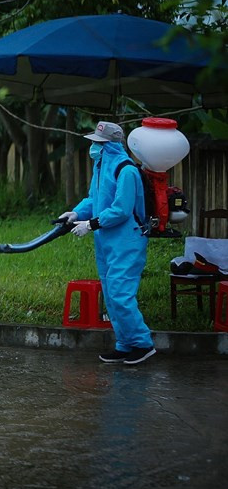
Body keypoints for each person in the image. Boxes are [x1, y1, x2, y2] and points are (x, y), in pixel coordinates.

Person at [57, 121, 155, 365]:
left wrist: (90, 224)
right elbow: (94, 199)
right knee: (111, 295)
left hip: (127, 242)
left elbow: (121, 210)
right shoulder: (101, 166)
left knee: (121, 294)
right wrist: (75, 213)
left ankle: (143, 344)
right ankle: (124, 344)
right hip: (107, 241)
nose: (93, 147)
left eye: (98, 144)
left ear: (110, 145)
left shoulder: (127, 170)